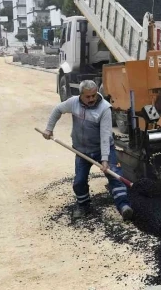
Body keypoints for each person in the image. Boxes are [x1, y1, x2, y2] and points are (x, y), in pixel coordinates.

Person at [42, 80, 134, 220]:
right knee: (79, 181)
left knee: (114, 175)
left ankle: (124, 206)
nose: (92, 99)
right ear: (81, 95)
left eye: (94, 95)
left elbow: (105, 135)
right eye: (88, 96)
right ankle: (84, 206)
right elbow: (58, 110)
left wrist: (104, 159)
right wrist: (49, 129)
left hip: (102, 148)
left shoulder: (104, 108)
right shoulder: (73, 102)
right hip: (82, 151)